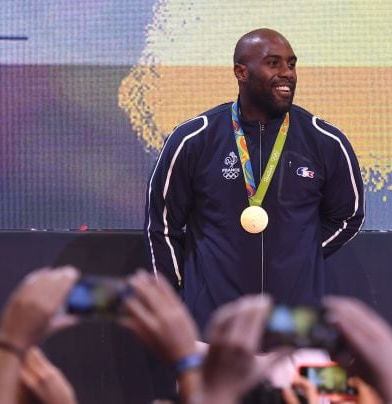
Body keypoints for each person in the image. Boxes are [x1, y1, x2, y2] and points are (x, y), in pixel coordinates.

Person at [145, 28, 365, 330]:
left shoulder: (325, 140)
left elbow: (348, 217)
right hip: (211, 328)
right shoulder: (193, 139)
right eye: (273, 63)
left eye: (291, 64)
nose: (287, 73)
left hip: (295, 332)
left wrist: (300, 254)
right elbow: (163, 226)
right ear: (241, 72)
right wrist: (172, 304)